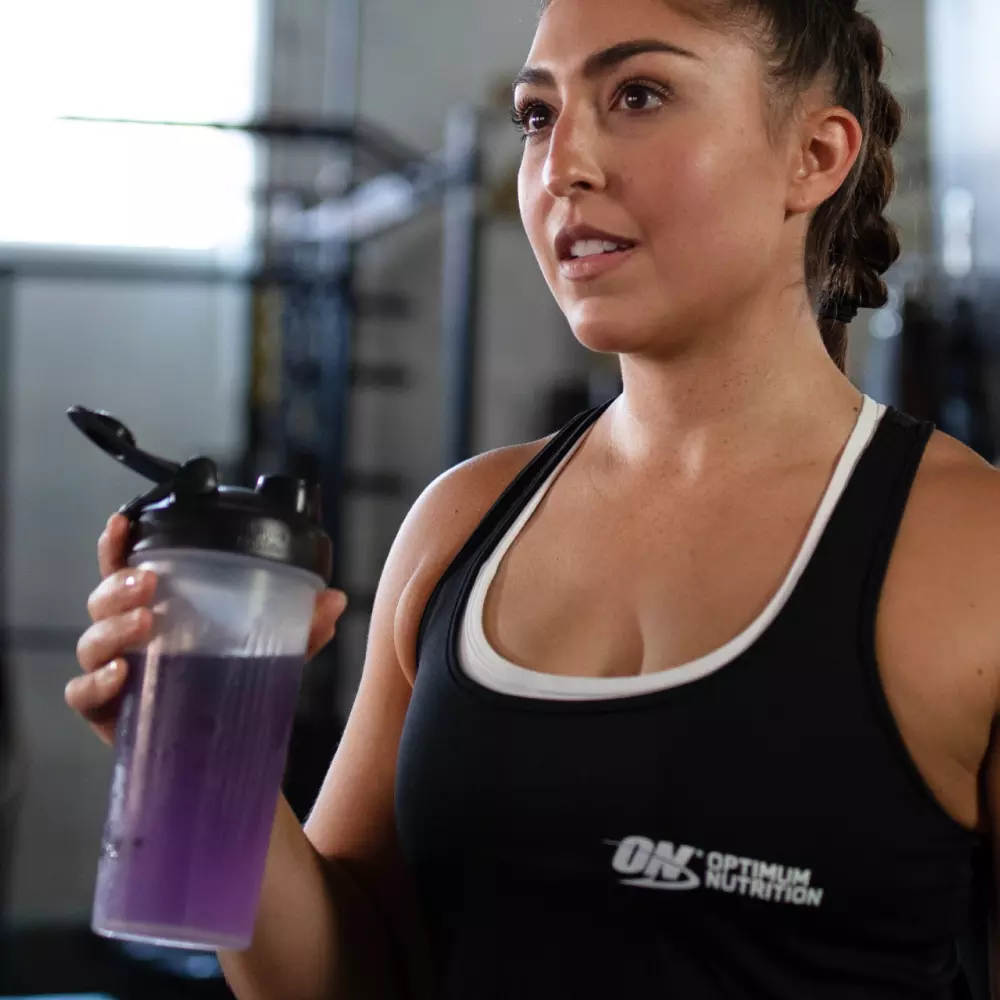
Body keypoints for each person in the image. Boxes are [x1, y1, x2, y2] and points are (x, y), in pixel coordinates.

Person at [69, 0, 1000, 997]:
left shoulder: (968, 551)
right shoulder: (460, 524)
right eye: (536, 116)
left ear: (815, 154)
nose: (563, 166)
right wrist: (217, 766)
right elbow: (343, 983)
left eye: (638, 95)